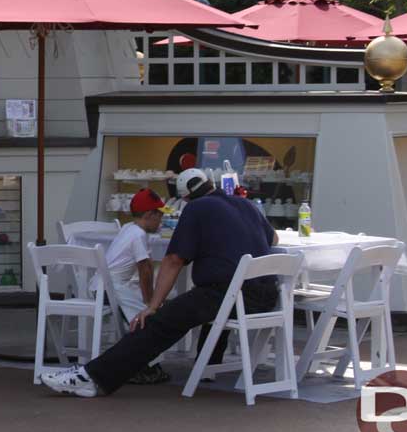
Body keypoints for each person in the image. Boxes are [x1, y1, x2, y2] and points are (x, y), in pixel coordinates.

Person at [41, 168, 279, 398]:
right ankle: (207, 365)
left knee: (161, 322)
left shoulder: (197, 208)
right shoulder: (246, 204)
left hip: (228, 295)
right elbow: (273, 238)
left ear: (185, 198)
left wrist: (153, 306)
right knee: (206, 308)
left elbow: (174, 260)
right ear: (210, 185)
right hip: (266, 296)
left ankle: (91, 378)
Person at [100, 188, 169, 385]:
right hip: (112, 288)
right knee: (143, 320)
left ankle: (146, 365)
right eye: (159, 216)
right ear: (149, 215)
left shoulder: (128, 228)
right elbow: (145, 269)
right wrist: (149, 301)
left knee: (141, 317)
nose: (161, 221)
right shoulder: (138, 235)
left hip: (104, 286)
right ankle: (139, 367)